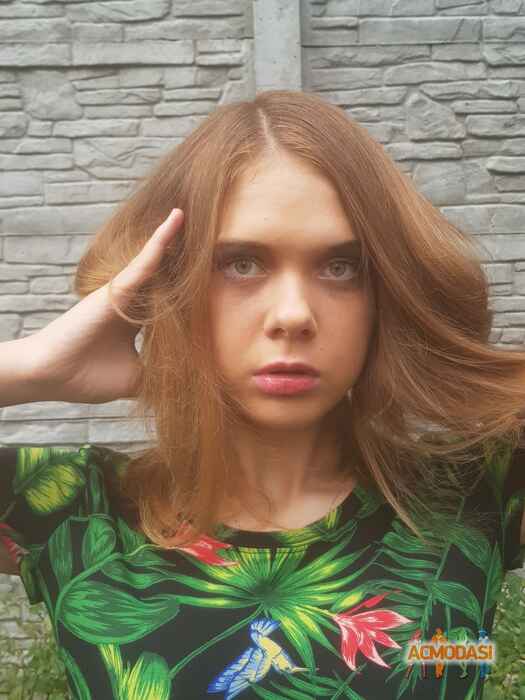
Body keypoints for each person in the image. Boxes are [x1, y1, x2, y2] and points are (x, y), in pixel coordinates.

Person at [1, 89, 525, 699]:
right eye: (242, 264)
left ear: (385, 293)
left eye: (342, 267)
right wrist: (31, 367)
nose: (294, 314)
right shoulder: (73, 513)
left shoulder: (474, 494)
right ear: (169, 282)